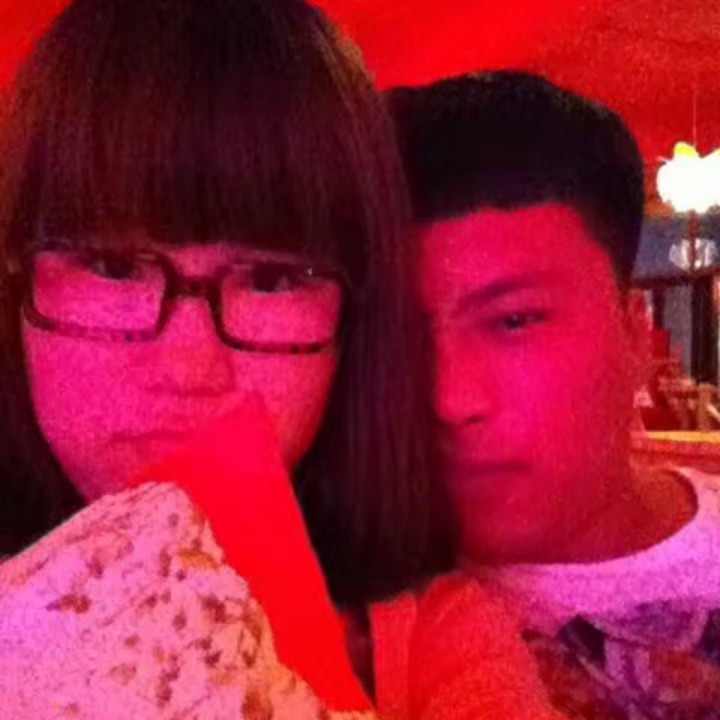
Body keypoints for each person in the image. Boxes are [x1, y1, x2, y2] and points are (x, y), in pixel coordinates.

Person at [0, 3, 563, 718]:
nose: (190, 368)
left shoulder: (434, 649)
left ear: (355, 324)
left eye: (271, 279)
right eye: (112, 267)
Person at [390, 69, 720, 718]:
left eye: (514, 320)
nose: (449, 399)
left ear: (635, 334)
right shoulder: (337, 599)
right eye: (403, 336)